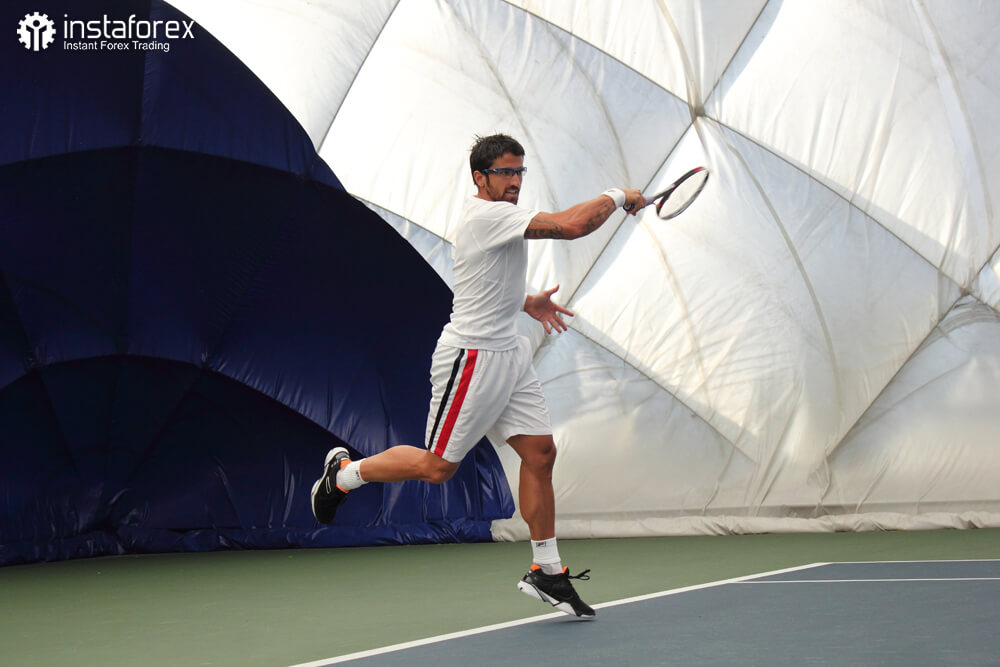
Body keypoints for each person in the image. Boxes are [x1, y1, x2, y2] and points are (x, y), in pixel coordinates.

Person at [311, 133, 645, 619]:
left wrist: (526, 302)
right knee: (437, 468)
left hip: (509, 353)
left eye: (519, 172)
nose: (514, 181)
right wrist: (618, 195)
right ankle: (344, 475)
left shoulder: (501, 216)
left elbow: (485, 278)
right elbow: (572, 226)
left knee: (541, 454)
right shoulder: (486, 216)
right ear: (479, 177)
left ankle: (547, 570)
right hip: (471, 359)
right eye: (504, 172)